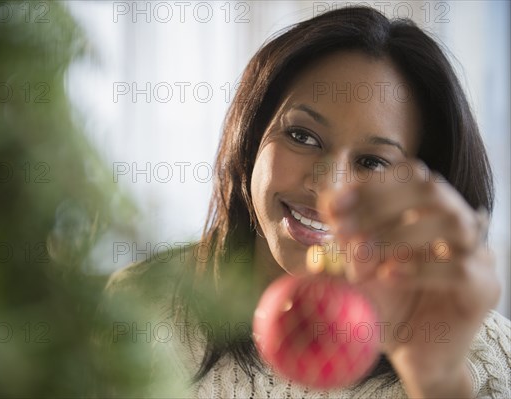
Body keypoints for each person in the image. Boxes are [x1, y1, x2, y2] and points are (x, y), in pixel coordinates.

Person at [102, 6, 511, 398]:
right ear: (250, 141)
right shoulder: (137, 307)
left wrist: (437, 382)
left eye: (371, 162)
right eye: (302, 136)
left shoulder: (484, 356)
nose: (327, 188)